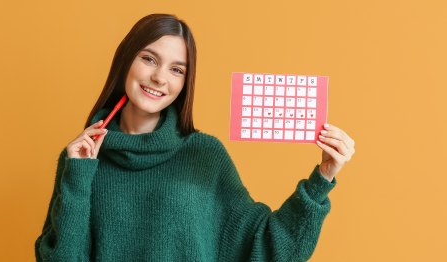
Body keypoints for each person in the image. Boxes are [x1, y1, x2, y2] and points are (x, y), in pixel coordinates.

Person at [35, 13, 355, 261]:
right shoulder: (81, 160)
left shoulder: (203, 155)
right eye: (149, 58)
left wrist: (322, 179)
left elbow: (265, 245)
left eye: (177, 69)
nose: (159, 77)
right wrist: (77, 177)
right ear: (125, 61)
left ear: (185, 82)